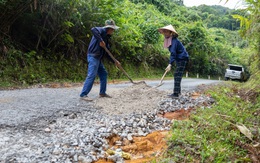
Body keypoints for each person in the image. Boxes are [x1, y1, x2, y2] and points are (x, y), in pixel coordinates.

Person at [80, 19, 121, 101]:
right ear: (109, 28)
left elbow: (107, 53)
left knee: (103, 74)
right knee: (92, 74)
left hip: (98, 59)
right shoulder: (101, 30)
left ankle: (102, 93)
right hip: (93, 56)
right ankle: (83, 95)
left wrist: (115, 61)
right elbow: (93, 29)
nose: (113, 31)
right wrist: (101, 40)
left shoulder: (106, 38)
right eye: (112, 29)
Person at [158, 25, 189, 99]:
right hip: (179, 58)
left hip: (182, 58)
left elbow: (173, 53)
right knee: (177, 75)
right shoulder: (169, 39)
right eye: (164, 31)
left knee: (177, 75)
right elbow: (173, 53)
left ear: (171, 32)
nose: (165, 33)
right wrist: (170, 63)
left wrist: (170, 64)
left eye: (166, 31)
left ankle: (176, 94)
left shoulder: (174, 41)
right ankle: (178, 92)